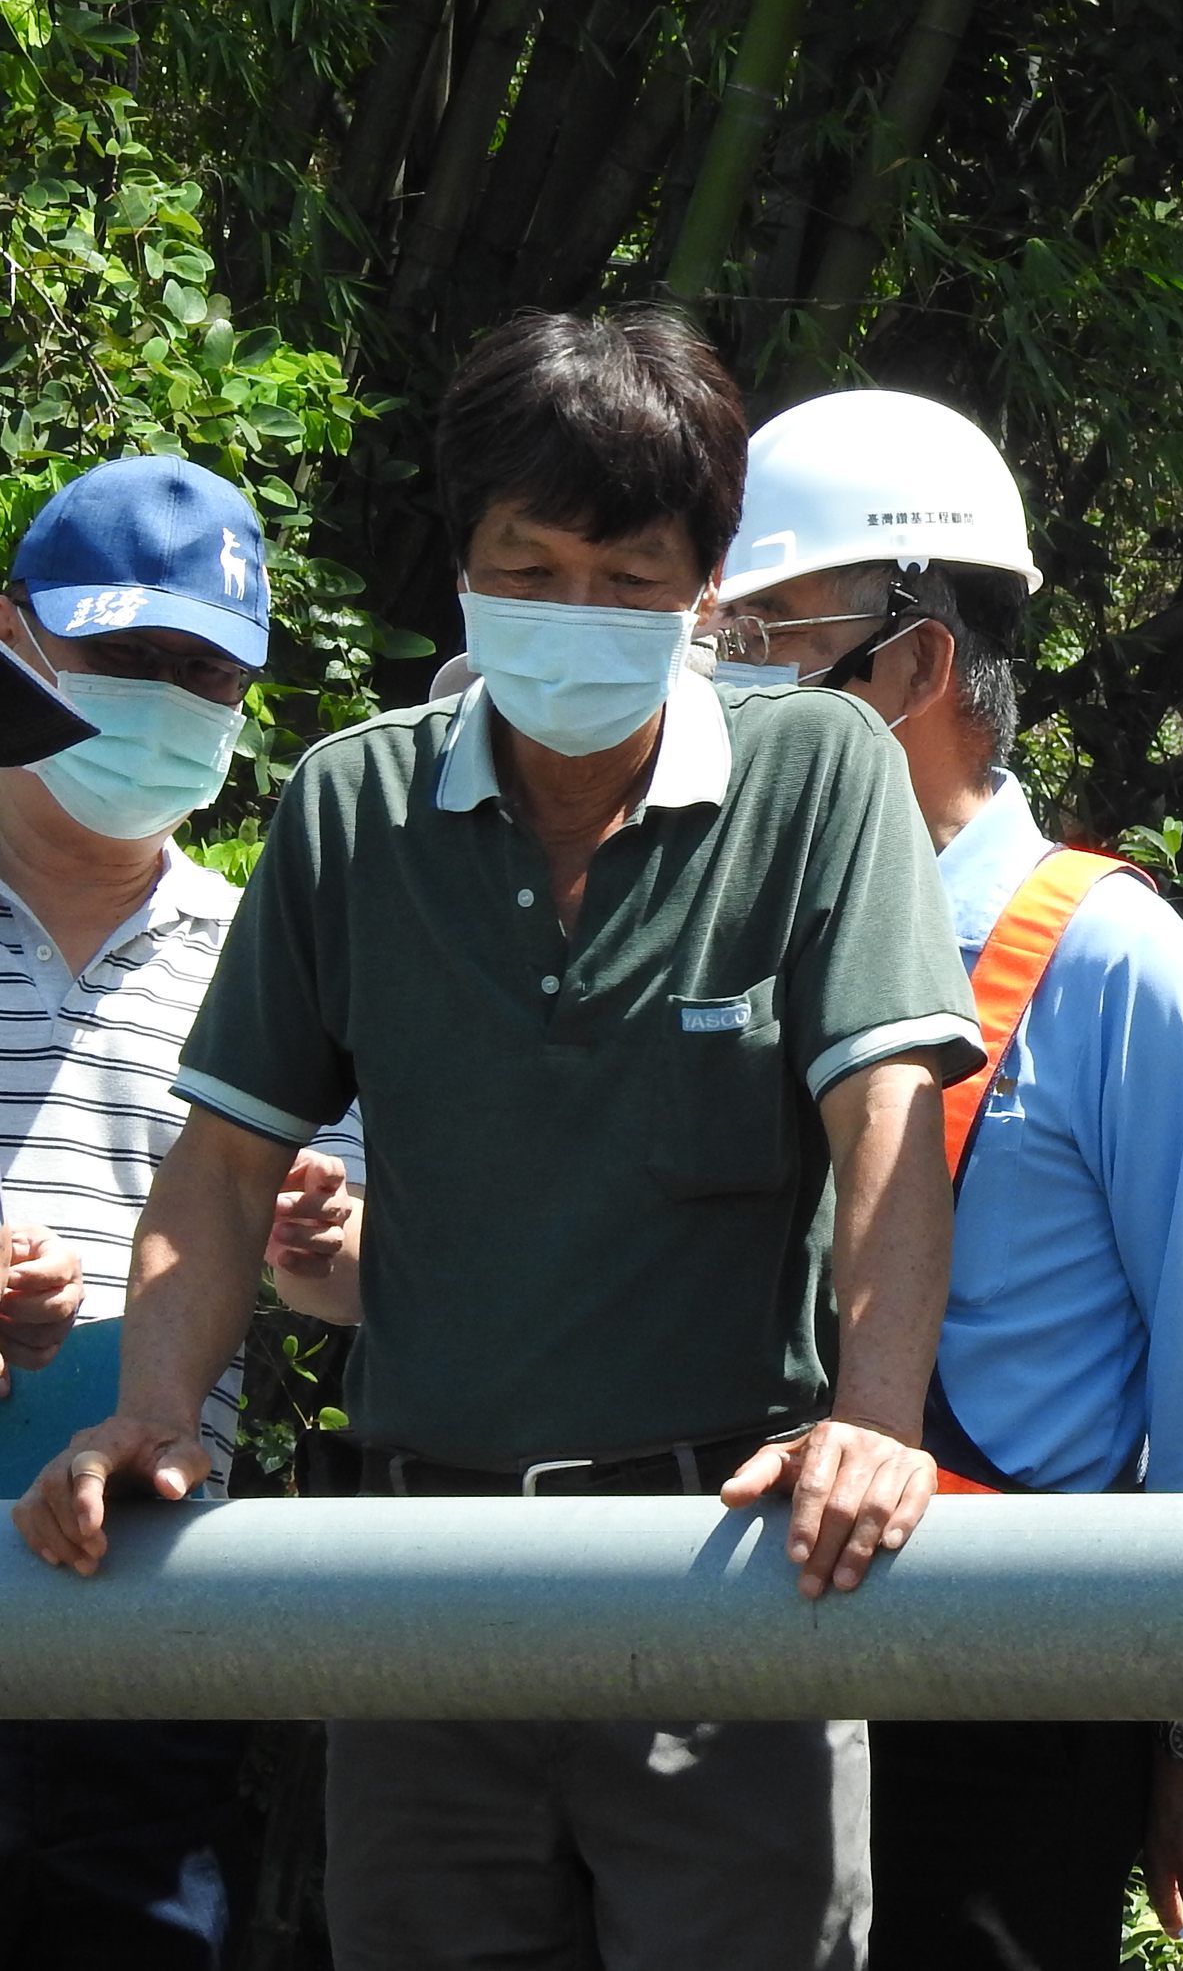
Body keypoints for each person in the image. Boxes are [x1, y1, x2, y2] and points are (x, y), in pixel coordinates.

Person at [13, 309, 983, 1971]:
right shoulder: (350, 807)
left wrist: (875, 1421)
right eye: (525, 567)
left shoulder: (816, 775)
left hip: (726, 1580)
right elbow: (227, 1159)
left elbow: (887, 1116)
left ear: (705, 581)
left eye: (627, 576)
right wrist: (151, 1410)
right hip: (420, 1599)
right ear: (460, 562)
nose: (573, 613)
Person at [707, 387, 1183, 1965]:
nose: (725, 678)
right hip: (734, 1644)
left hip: (1009, 1671)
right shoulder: (728, 938)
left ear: (919, 661)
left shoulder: (1109, 961)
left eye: (767, 634)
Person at [0, 457, 361, 1970]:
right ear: (12, 634)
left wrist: (337, 1254)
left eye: (206, 671)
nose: (166, 700)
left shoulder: (264, 950)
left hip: (134, 1605)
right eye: (127, 656)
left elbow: (351, 1300)